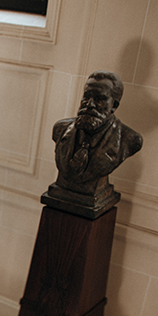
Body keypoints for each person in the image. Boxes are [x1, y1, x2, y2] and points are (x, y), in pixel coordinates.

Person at [44, 71, 142, 216]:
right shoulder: (61, 128)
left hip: (93, 200)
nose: (90, 104)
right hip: (60, 193)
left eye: (100, 99)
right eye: (86, 96)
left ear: (114, 105)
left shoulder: (129, 140)